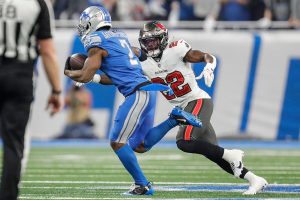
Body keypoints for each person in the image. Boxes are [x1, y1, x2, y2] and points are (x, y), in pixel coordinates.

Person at [64, 6, 201, 196]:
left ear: (90, 23)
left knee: (117, 142)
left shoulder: (94, 42)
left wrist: (69, 72)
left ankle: (142, 185)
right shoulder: (118, 36)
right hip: (148, 90)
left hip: (137, 94)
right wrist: (93, 77)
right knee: (139, 145)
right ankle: (174, 118)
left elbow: (86, 74)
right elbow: (126, 66)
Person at [134, 21, 268, 195]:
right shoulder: (143, 64)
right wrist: (94, 78)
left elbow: (205, 56)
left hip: (197, 101)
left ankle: (232, 154)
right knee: (215, 154)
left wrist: (209, 65)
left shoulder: (176, 49)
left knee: (185, 142)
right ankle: (255, 179)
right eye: (147, 42)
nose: (150, 45)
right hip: (184, 108)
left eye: (154, 40)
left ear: (164, 39)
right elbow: (119, 78)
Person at [0, 0, 63, 200]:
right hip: (19, 74)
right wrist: (56, 90)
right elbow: (47, 50)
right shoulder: (38, 3)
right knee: (14, 143)